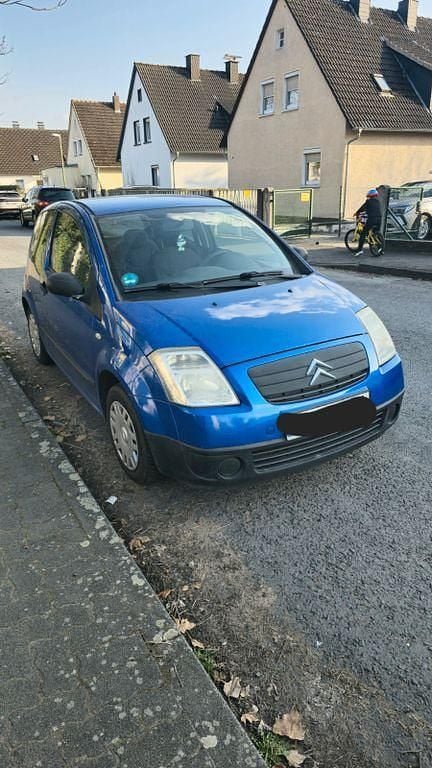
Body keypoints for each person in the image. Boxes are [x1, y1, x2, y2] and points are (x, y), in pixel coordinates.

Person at [354, 188, 382, 256]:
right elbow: (373, 210)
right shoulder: (378, 202)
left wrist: (357, 213)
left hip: (372, 219)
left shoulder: (368, 201)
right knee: (375, 233)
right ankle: (381, 249)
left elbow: (363, 208)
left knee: (363, 234)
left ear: (370, 195)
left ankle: (359, 250)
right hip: (379, 219)